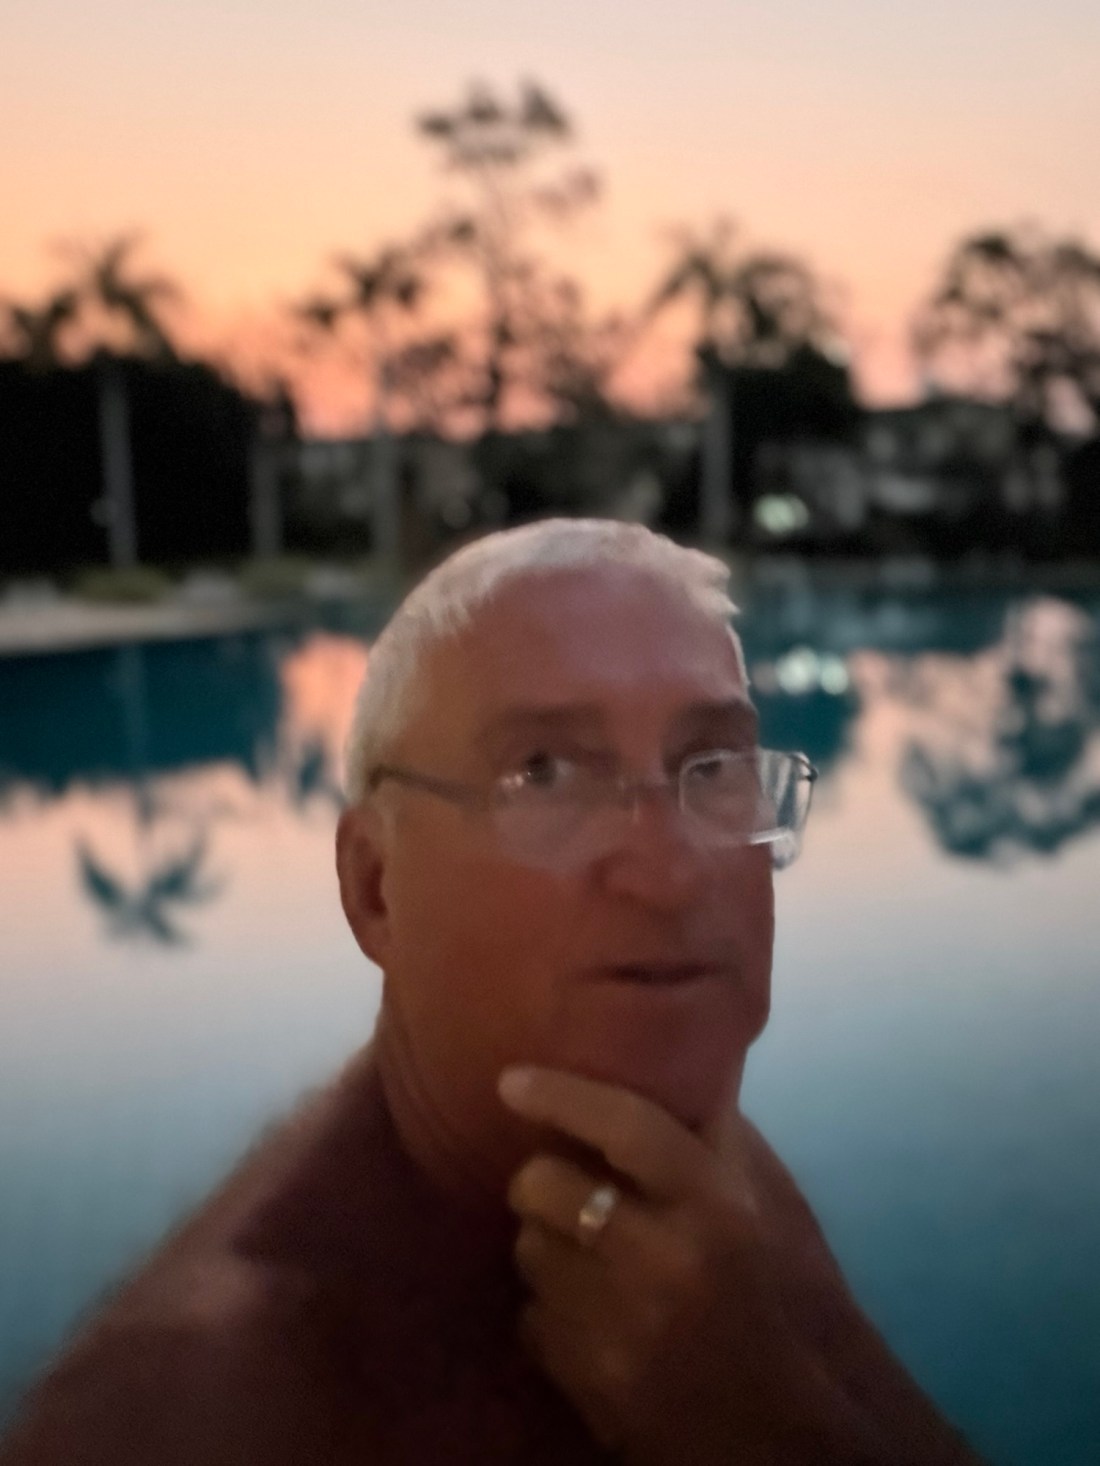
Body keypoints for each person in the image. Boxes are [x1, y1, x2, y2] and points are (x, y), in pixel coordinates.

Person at [0, 519, 984, 1464]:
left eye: (713, 765)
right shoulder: (198, 1405)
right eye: (544, 774)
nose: (671, 873)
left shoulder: (697, 1185)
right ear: (375, 887)